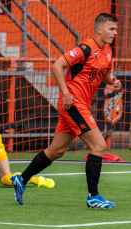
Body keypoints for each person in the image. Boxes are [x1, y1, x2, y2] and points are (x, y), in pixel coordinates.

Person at [11, 13, 122, 208]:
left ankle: (22, 178)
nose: (115, 32)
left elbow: (106, 73)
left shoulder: (108, 51)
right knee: (98, 146)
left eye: (115, 29)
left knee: (57, 151)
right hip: (72, 103)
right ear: (99, 29)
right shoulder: (85, 48)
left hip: (80, 105)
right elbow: (57, 65)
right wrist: (66, 93)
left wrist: (113, 82)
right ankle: (93, 196)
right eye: (112, 29)